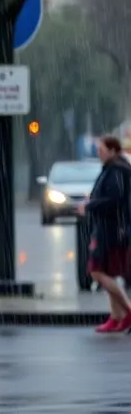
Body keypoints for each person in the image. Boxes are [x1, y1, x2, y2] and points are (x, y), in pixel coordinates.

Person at [77, 135, 131, 333]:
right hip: (110, 227)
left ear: (113, 151)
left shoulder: (116, 171)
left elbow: (114, 199)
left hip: (112, 229)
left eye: (102, 150)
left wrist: (90, 205)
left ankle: (127, 310)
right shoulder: (113, 169)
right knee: (106, 272)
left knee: (97, 271)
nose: (99, 153)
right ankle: (117, 317)